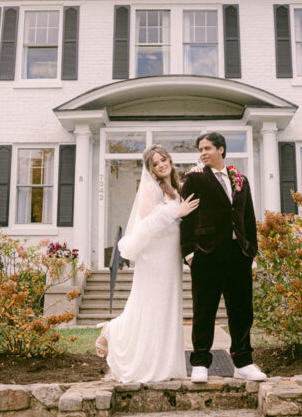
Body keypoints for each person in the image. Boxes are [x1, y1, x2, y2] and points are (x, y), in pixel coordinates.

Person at [95, 145, 199, 383]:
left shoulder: (177, 187)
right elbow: (145, 226)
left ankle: (164, 365)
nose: (161, 164)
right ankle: (111, 331)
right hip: (153, 257)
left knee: (166, 308)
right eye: (155, 163)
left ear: (169, 160)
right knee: (148, 305)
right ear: (150, 170)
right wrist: (175, 212)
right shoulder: (150, 189)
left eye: (163, 159)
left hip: (170, 256)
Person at [179, 132, 267, 383]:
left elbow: (247, 217)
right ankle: (200, 363)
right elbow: (187, 218)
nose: (202, 152)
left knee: (241, 310)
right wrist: (189, 253)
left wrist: (251, 251)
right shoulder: (194, 178)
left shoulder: (240, 179)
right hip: (206, 254)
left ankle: (243, 363)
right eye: (200, 149)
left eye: (207, 148)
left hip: (238, 253)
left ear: (221, 149)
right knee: (204, 310)